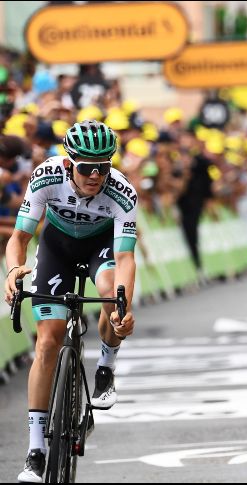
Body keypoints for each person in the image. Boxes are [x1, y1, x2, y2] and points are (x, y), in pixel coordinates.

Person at [5, 120, 137, 482]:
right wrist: (14, 270)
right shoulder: (46, 176)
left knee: (112, 289)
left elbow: (125, 258)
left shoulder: (122, 191)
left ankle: (106, 367)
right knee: (48, 339)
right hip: (56, 248)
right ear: (68, 164)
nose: (95, 176)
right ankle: (35, 451)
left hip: (101, 248)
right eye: (86, 168)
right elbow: (19, 237)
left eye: (103, 167)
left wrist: (123, 305)